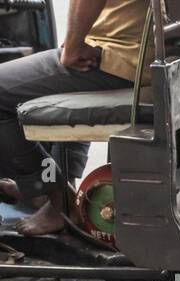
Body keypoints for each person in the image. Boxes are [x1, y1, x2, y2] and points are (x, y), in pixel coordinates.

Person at [0, 0, 149, 236]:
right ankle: (55, 189)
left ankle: (56, 197)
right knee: (59, 76)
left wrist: (73, 45)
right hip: (143, 52)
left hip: (121, 59)